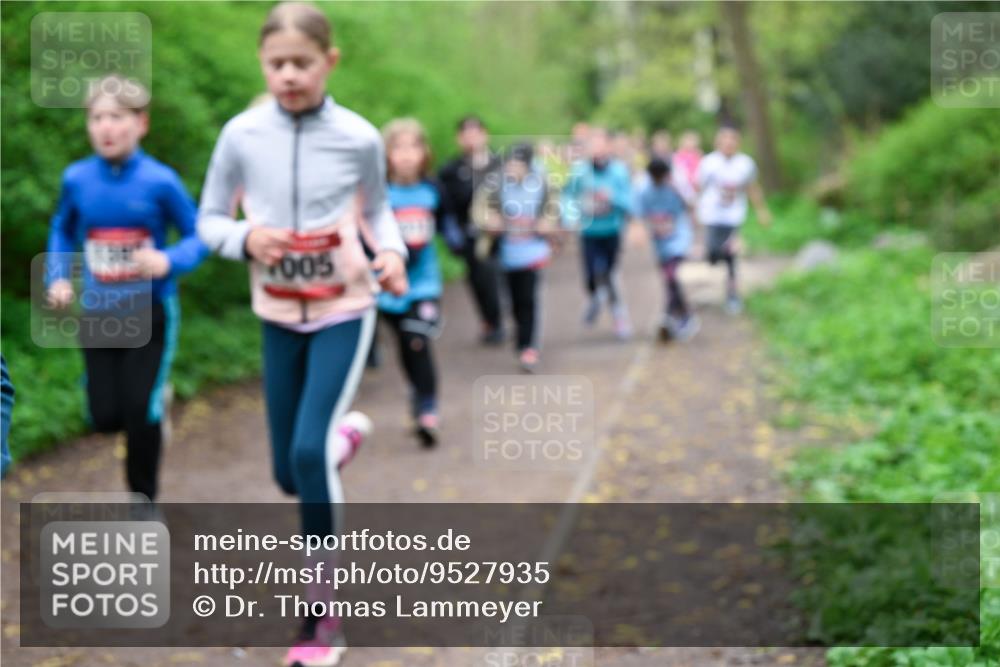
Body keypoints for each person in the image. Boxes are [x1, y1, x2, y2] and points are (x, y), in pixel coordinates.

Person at [196, 4, 408, 665]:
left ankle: (321, 617)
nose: (288, 75)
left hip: (345, 306)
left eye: (302, 63)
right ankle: (341, 443)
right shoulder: (240, 135)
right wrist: (244, 237)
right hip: (277, 313)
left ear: (329, 62)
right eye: (276, 64)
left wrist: (392, 251)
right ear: (262, 64)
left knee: (308, 453)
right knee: (288, 473)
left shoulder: (358, 137)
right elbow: (209, 219)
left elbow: (378, 211)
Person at [45, 74, 207, 503]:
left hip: (149, 311)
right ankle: (153, 404)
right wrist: (58, 276)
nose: (106, 127)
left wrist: (169, 259)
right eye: (97, 118)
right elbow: (63, 229)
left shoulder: (160, 181)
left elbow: (199, 234)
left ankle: (143, 501)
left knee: (139, 411)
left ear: (141, 123)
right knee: (104, 417)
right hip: (98, 311)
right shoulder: (77, 179)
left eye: (117, 117)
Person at [379, 118, 453, 447]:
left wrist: (458, 240)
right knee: (405, 345)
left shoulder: (432, 190)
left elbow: (447, 220)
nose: (407, 155)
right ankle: (417, 390)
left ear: (425, 153)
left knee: (417, 339)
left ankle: (428, 408)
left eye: (414, 147)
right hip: (388, 286)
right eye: (398, 148)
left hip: (424, 285)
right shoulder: (379, 194)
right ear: (386, 155)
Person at [472, 144, 559, 372]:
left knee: (528, 299)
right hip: (507, 253)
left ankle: (528, 347)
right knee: (513, 301)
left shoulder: (542, 185)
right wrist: (489, 220)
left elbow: (554, 210)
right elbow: (479, 209)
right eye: (509, 164)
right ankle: (522, 341)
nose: (512, 169)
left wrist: (548, 223)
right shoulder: (496, 185)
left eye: (517, 165)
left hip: (533, 253)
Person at [561, 127, 634, 340]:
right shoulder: (579, 171)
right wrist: (570, 217)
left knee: (610, 275)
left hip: (612, 231)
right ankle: (595, 297)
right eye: (593, 145)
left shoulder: (619, 171)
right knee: (591, 275)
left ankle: (619, 317)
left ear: (609, 147)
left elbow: (629, 201)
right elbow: (567, 196)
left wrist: (612, 198)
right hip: (589, 232)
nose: (597, 150)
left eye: (601, 145)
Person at [437, 115, 504, 344]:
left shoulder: (501, 165)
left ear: (485, 134)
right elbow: (444, 207)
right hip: (470, 235)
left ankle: (505, 319)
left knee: (505, 279)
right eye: (466, 134)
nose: (471, 138)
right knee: (480, 280)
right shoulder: (451, 170)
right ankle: (491, 322)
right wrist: (451, 237)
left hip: (504, 234)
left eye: (475, 132)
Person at [695, 126, 772, 314]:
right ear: (718, 142)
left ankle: (732, 296)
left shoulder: (745, 164)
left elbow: (752, 187)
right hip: (712, 215)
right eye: (725, 139)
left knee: (731, 258)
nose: (729, 143)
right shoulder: (708, 163)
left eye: (733, 140)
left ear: (738, 143)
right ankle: (721, 254)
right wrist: (694, 211)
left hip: (734, 216)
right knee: (713, 253)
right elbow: (699, 187)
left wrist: (762, 210)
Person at [636, 158, 700, 342]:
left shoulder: (675, 187)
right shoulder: (644, 190)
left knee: (671, 275)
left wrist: (679, 191)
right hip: (660, 242)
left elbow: (691, 205)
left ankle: (669, 314)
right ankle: (684, 314)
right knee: (668, 279)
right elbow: (639, 213)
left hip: (678, 238)